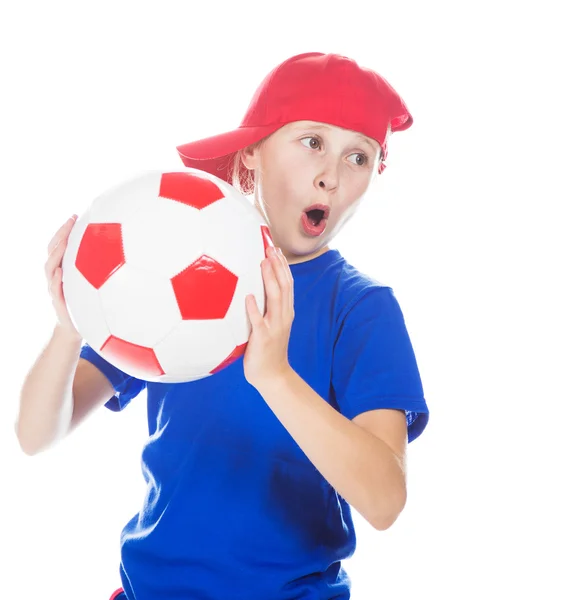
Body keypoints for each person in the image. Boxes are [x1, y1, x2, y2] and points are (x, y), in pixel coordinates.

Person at [16, 51, 430, 600]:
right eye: (312, 143)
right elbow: (34, 435)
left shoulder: (362, 308)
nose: (331, 176)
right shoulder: (171, 267)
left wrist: (275, 377)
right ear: (253, 152)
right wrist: (70, 328)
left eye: (359, 157)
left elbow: (384, 500)